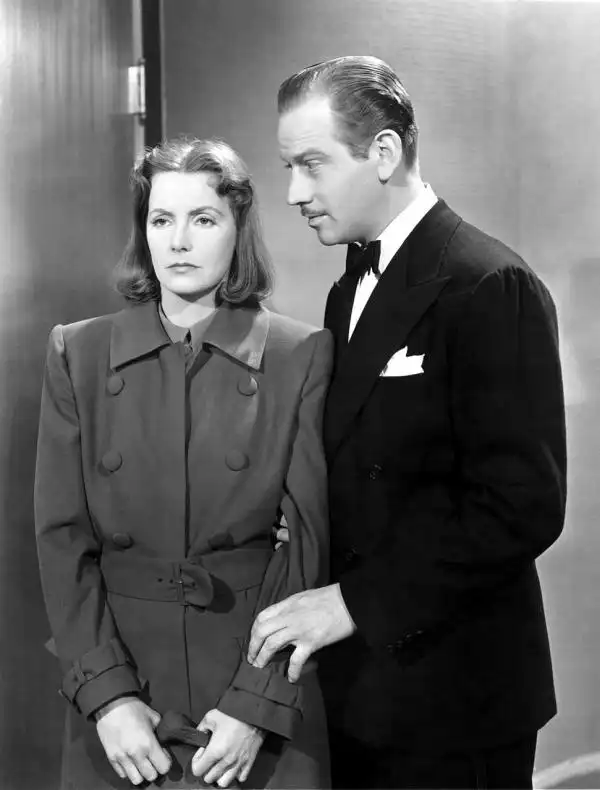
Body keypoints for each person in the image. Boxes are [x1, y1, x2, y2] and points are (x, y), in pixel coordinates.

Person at [248, 55, 567, 789]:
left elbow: (521, 506)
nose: (295, 193)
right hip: (366, 692)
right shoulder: (349, 288)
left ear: (384, 152)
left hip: (457, 699)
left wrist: (353, 602)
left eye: (312, 165)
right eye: (290, 168)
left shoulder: (491, 284)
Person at [35, 137, 332, 790]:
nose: (178, 241)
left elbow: (306, 546)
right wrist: (107, 697)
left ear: (237, 228)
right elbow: (61, 542)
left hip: (254, 683)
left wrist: (255, 705)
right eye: (161, 219)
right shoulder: (78, 354)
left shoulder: (299, 353)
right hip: (123, 693)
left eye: (203, 219)